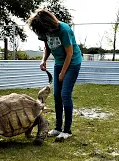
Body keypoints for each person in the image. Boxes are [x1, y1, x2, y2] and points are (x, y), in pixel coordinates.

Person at [27, 9, 82, 140]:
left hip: (72, 63)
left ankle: (67, 130)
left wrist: (63, 72)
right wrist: (43, 60)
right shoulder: (44, 31)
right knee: (57, 95)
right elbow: (47, 47)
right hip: (58, 63)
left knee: (65, 95)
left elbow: (69, 53)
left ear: (48, 23)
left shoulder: (64, 30)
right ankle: (58, 128)